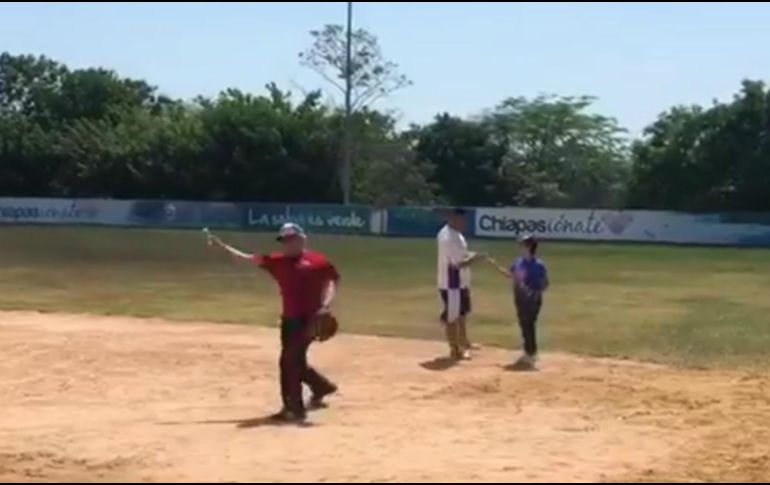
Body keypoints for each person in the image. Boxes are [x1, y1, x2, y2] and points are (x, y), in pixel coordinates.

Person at [207, 222, 339, 423]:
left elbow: (331, 282)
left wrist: (326, 305)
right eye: (284, 241)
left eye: (291, 239)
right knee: (295, 360)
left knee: (288, 361)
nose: (288, 244)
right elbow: (246, 259)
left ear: (302, 239)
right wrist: (222, 247)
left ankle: (293, 409)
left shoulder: (317, 262)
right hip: (290, 320)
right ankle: (321, 387)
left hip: (311, 319)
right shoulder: (276, 261)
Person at [489, 234, 549, 370]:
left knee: (529, 324)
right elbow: (510, 275)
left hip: (533, 301)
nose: (520, 247)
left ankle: (531, 353)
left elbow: (545, 283)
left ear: (529, 247)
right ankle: (529, 352)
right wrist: (495, 265)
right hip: (519, 299)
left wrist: (535, 294)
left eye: (523, 245)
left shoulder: (538, 265)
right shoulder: (518, 262)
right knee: (523, 325)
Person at [436, 208, 486, 360]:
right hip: (452, 284)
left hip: (461, 282)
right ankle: (455, 348)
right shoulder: (448, 237)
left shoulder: (457, 234)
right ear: (453, 218)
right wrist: (476, 259)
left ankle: (463, 342)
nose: (464, 222)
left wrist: (472, 255)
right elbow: (458, 264)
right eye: (460, 219)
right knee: (453, 316)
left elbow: (461, 255)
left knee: (462, 314)